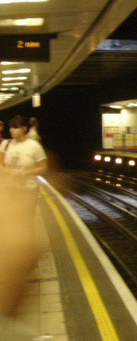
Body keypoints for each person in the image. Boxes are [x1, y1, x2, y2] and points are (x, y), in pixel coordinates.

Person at [0, 115, 48, 339]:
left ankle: (23, 259)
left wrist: (25, 173)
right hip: (10, 191)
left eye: (15, 127)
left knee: (25, 224)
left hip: (28, 190)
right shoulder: (5, 145)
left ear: (25, 129)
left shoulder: (34, 146)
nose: (12, 130)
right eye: (10, 127)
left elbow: (43, 167)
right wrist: (8, 173)